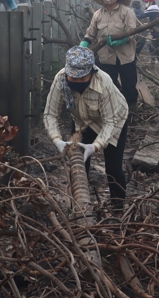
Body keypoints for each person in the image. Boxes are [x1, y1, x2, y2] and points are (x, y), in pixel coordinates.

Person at [43, 45, 129, 204]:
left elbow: (110, 121)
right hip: (82, 121)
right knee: (77, 164)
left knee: (113, 169)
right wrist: (57, 140)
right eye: (73, 78)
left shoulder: (104, 82)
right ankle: (78, 205)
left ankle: (118, 209)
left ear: (91, 72)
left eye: (82, 78)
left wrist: (95, 146)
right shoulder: (60, 79)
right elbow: (50, 114)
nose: (77, 81)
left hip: (114, 119)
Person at [81, 0, 139, 110]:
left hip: (126, 57)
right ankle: (113, 110)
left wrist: (121, 40)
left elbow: (132, 32)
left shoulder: (127, 12)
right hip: (106, 58)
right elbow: (90, 34)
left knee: (129, 86)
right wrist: (83, 46)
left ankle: (132, 111)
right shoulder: (98, 15)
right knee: (108, 86)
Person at [138, 0, 159, 64]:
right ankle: (153, 61)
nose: (146, 3)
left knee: (154, 47)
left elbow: (141, 16)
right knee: (150, 46)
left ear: (151, 2)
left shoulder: (152, 8)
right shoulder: (156, 8)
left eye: (146, 2)